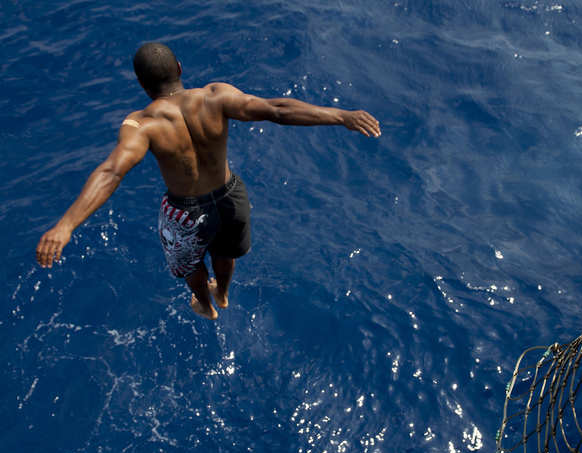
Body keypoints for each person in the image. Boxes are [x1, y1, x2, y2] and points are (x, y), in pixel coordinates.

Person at [35, 42, 381, 320]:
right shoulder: (216, 96)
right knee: (226, 249)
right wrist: (341, 115)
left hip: (185, 213)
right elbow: (277, 110)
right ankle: (224, 292)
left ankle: (204, 301)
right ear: (180, 69)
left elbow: (112, 171)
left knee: (190, 264)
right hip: (231, 197)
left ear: (142, 84)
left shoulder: (141, 124)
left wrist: (66, 225)